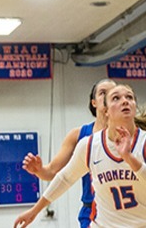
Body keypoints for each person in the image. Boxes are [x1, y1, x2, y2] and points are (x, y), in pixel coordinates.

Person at [13, 84, 146, 228]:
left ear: (134, 106)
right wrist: (34, 211)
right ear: (106, 110)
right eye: (116, 98)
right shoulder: (89, 145)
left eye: (129, 97)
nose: (125, 101)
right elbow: (65, 178)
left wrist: (129, 157)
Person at [22, 78, 117, 228]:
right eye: (103, 93)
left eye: (113, 93)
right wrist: (39, 171)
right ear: (93, 102)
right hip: (93, 210)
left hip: (124, 210)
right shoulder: (79, 135)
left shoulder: (129, 134)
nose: (108, 97)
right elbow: (53, 172)